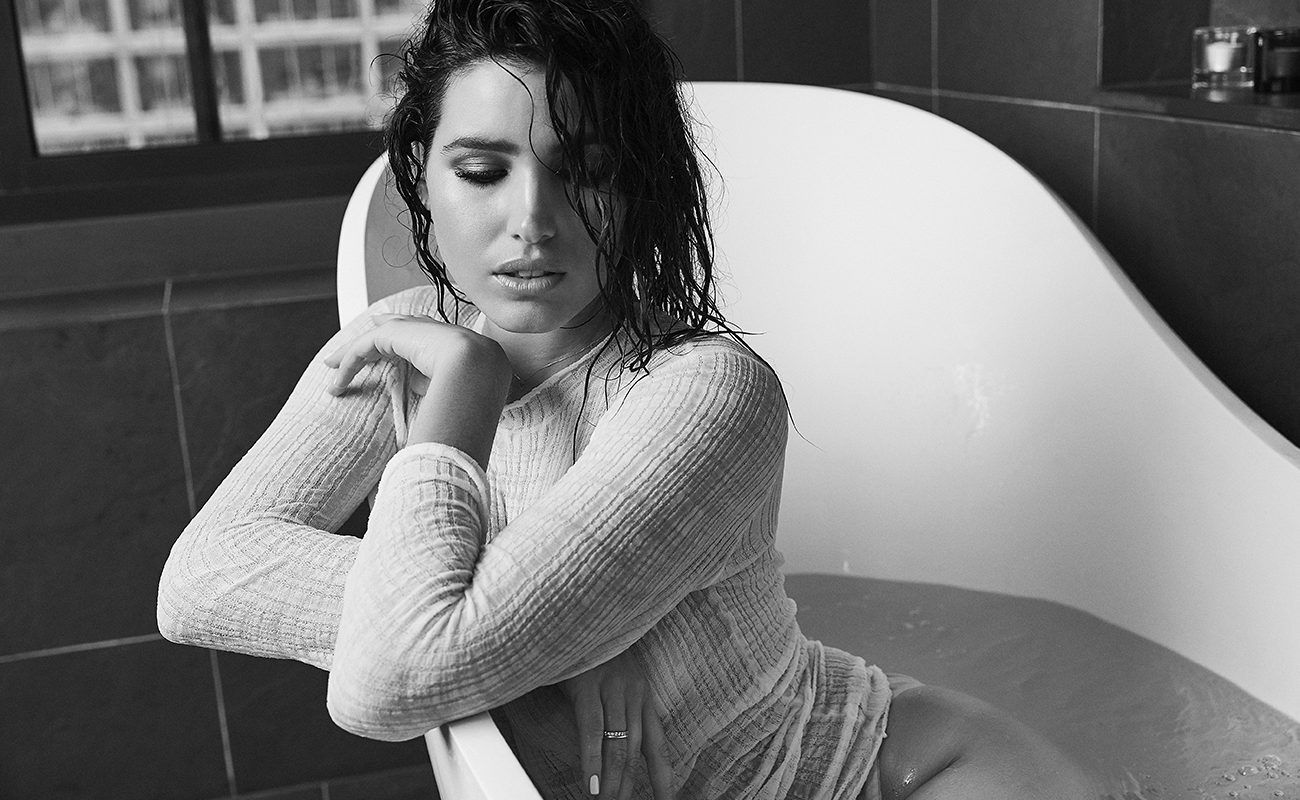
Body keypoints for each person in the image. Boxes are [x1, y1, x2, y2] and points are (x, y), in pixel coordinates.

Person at [157, 1, 1098, 798]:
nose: (532, 220)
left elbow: (392, 676)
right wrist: (549, 630)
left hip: (890, 776)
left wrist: (520, 625)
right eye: (482, 171)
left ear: (640, 187)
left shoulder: (709, 392)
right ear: (423, 179)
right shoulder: (413, 344)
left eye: (588, 171)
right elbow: (199, 581)